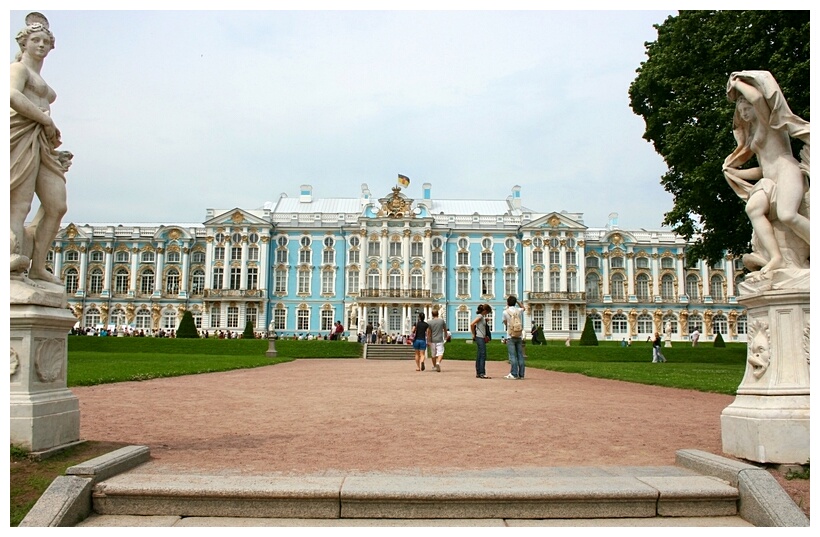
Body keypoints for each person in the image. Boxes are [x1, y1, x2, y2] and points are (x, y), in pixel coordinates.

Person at [722, 71, 810, 277]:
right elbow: (763, 167)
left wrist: (736, 83)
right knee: (753, 209)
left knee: (787, 215)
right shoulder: (753, 133)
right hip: (768, 178)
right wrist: (737, 173)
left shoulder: (769, 122)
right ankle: (775, 257)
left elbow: (758, 97)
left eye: (746, 109)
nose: (743, 114)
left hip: (787, 170)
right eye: (740, 110)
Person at [10, 13, 72, 285]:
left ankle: (37, 266)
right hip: (20, 135)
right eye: (35, 39)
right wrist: (45, 119)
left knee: (56, 205)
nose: (41, 45)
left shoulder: (37, 76)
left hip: (41, 140)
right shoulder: (18, 69)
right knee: (18, 203)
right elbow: (11, 96)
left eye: (45, 41)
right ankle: (11, 255)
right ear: (24, 43)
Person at [502, 296, 526, 379]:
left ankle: (514, 373)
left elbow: (505, 322)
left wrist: (507, 325)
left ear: (508, 303)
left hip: (511, 335)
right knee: (520, 355)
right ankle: (521, 374)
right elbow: (523, 308)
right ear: (515, 303)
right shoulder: (518, 310)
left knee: (512, 356)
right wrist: (519, 302)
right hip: (519, 335)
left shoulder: (505, 312)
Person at [470, 305, 490, 379]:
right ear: (485, 311)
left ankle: (479, 372)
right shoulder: (480, 316)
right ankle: (482, 373)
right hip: (480, 337)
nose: (487, 314)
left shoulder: (481, 317)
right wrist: (473, 334)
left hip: (479, 337)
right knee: (482, 355)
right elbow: (472, 324)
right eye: (487, 312)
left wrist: (485, 321)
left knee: (479, 355)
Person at [426, 308, 447, 372]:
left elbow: (429, 332)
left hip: (432, 340)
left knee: (433, 354)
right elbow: (445, 329)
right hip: (440, 339)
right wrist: (446, 336)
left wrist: (428, 340)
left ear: (432, 315)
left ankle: (435, 366)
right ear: (438, 314)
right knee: (440, 353)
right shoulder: (441, 321)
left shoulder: (429, 322)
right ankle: (438, 363)